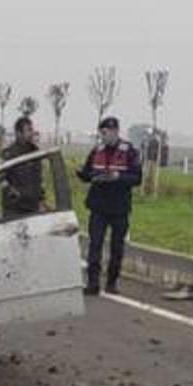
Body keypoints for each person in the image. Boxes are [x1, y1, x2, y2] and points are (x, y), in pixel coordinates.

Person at [77, 116, 142, 295]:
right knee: (95, 245)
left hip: (119, 207)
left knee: (117, 247)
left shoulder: (129, 151)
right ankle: (93, 283)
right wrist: (83, 174)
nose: (103, 137)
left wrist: (118, 177)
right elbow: (87, 173)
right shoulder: (96, 150)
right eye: (101, 133)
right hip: (98, 206)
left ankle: (112, 283)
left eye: (105, 133)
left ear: (115, 131)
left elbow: (137, 178)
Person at [0, 116, 46, 218]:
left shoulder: (35, 152)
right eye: (28, 130)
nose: (31, 133)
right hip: (14, 210)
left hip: (32, 208)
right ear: (18, 133)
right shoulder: (8, 154)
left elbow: (39, 179)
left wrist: (41, 200)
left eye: (31, 129)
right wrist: (10, 191)